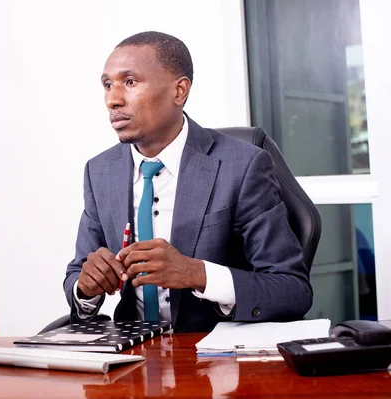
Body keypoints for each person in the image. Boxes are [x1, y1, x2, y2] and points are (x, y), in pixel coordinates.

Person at [63, 31, 312, 333]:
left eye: (130, 82)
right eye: (107, 85)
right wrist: (86, 288)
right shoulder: (100, 171)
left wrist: (197, 273)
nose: (113, 100)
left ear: (179, 91)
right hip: (132, 356)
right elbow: (78, 275)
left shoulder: (242, 166)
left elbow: (292, 289)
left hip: (213, 360)